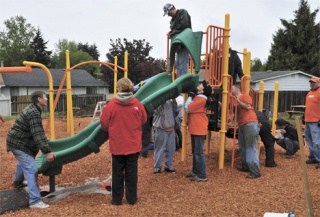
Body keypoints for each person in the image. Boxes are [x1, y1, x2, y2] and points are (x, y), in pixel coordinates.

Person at [100, 78, 147, 205]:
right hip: (133, 144)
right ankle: (132, 198)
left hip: (118, 144)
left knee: (117, 173)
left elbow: (104, 123)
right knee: (132, 173)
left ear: (119, 88)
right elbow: (143, 119)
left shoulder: (112, 104)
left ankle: (116, 199)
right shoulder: (137, 104)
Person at [6, 91, 56, 209]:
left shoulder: (34, 109)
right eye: (45, 97)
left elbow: (36, 131)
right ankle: (34, 201)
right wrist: (47, 151)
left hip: (17, 142)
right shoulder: (34, 113)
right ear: (39, 99)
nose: (47, 99)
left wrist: (43, 140)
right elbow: (37, 134)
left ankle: (18, 183)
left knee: (22, 162)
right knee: (31, 169)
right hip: (19, 144)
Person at [184, 80, 212, 182]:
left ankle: (202, 174)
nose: (199, 85)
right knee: (195, 152)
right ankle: (196, 171)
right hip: (196, 128)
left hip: (198, 128)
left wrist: (190, 97)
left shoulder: (201, 100)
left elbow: (187, 108)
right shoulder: (199, 98)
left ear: (203, 89)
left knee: (199, 152)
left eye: (201, 85)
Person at [231, 85, 261, 179]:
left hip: (250, 123)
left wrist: (238, 101)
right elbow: (229, 111)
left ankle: (255, 171)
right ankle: (246, 166)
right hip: (242, 124)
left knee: (251, 147)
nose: (230, 90)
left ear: (236, 89)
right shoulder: (234, 100)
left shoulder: (244, 96)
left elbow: (248, 107)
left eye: (231, 88)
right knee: (243, 146)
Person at [163, 3, 192, 76]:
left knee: (182, 63)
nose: (168, 15)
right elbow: (174, 30)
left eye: (168, 12)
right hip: (178, 44)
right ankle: (181, 79)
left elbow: (184, 25)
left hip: (185, 42)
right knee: (178, 64)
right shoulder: (172, 21)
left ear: (172, 9)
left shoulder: (182, 12)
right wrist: (172, 32)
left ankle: (183, 80)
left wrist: (173, 32)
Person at [153, 99, 177, 174]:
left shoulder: (169, 102)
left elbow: (174, 109)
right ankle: (157, 167)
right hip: (161, 128)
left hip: (170, 128)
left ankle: (168, 166)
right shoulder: (156, 103)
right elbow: (160, 111)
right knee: (159, 149)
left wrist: (174, 100)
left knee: (171, 149)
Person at [304, 77, 320, 169]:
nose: (312, 84)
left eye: (314, 82)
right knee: (309, 141)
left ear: (318, 83)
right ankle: (313, 157)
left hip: (316, 122)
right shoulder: (309, 93)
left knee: (317, 142)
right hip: (308, 121)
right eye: (311, 82)